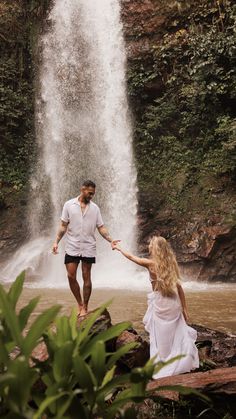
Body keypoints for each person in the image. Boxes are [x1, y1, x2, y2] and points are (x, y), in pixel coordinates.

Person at [113, 236, 199, 378]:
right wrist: (184, 308)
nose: (148, 247)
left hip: (160, 303)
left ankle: (162, 364)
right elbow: (180, 288)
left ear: (154, 249)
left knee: (159, 337)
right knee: (176, 334)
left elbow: (132, 257)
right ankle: (180, 361)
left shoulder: (150, 263)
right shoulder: (171, 263)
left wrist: (119, 248)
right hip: (173, 302)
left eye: (150, 245)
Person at [52, 180, 119, 316]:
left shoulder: (95, 208)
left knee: (86, 276)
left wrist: (110, 240)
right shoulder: (69, 205)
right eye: (89, 193)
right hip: (72, 245)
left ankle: (85, 307)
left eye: (93, 194)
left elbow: (101, 227)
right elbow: (63, 225)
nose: (91, 196)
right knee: (71, 275)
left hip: (88, 246)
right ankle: (79, 303)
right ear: (82, 189)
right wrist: (56, 242)